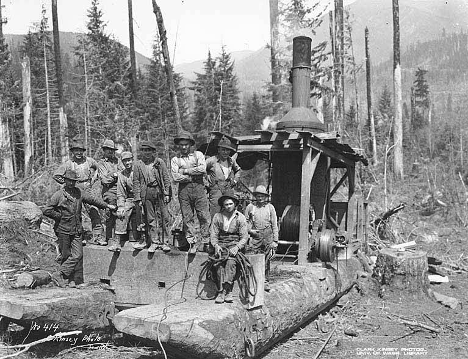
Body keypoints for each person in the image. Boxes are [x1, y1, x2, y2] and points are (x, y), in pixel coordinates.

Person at [43, 169, 116, 287]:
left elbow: (92, 200)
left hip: (76, 229)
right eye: (69, 181)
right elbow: (47, 210)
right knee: (65, 255)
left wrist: (107, 205)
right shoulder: (58, 195)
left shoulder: (79, 192)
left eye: (73, 181)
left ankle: (59, 274)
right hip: (63, 229)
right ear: (65, 181)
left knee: (77, 255)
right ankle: (68, 280)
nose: (71, 183)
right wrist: (59, 216)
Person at [53, 141, 103, 244]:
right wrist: (68, 183)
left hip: (88, 188)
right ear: (72, 152)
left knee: (94, 211)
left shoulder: (89, 161)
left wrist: (94, 178)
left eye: (81, 151)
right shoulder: (69, 163)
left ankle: (98, 237)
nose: (79, 153)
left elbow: (99, 167)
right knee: (76, 213)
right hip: (75, 190)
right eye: (76, 151)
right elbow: (56, 175)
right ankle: (80, 237)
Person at [171, 130, 211, 253]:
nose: (183, 147)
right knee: (187, 217)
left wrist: (186, 171)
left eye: (186, 144)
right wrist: (191, 175)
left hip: (199, 188)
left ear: (190, 144)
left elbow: (202, 169)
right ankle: (191, 243)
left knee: (203, 216)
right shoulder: (175, 159)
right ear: (178, 145)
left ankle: (206, 242)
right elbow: (175, 177)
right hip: (184, 191)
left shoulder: (198, 155)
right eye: (181, 144)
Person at [210, 190, 249, 304]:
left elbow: (244, 237)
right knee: (218, 264)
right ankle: (220, 291)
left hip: (234, 244)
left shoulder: (240, 217)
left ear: (235, 204)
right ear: (223, 205)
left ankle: (228, 290)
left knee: (231, 263)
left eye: (230, 204)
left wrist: (237, 247)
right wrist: (216, 245)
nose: (228, 206)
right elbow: (213, 234)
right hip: (221, 244)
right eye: (226, 204)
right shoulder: (217, 217)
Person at [133, 141, 172, 253]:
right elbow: (136, 182)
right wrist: (138, 198)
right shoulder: (138, 164)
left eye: (149, 150)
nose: (147, 153)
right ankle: (154, 242)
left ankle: (165, 242)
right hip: (147, 192)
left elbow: (166, 178)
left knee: (164, 217)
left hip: (159, 190)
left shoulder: (159, 162)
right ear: (142, 152)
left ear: (153, 151)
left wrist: (167, 194)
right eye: (145, 150)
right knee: (151, 218)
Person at [244, 185, 278, 292]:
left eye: (262, 196)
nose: (260, 198)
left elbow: (274, 224)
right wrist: (250, 231)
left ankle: (265, 281)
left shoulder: (270, 207)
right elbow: (245, 222)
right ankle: (252, 279)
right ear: (255, 196)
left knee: (267, 259)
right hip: (255, 234)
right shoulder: (250, 207)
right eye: (258, 196)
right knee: (253, 256)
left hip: (268, 234)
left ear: (266, 197)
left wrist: (275, 240)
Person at [205, 136, 241, 218]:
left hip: (228, 189)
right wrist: (207, 182)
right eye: (223, 150)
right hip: (216, 190)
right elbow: (201, 170)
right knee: (215, 212)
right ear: (219, 150)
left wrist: (235, 181)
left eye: (227, 150)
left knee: (229, 211)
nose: (225, 152)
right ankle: (213, 230)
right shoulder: (211, 161)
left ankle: (228, 230)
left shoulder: (231, 161)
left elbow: (238, 171)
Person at [108, 151, 137, 252]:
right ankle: (117, 242)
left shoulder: (139, 171)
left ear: (132, 160)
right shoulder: (122, 174)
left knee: (143, 212)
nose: (127, 163)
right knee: (121, 212)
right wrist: (121, 206)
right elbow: (121, 193)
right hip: (130, 198)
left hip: (142, 198)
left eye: (129, 160)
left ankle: (142, 239)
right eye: (125, 161)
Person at [97, 139, 124, 246]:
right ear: (104, 150)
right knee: (110, 214)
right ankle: (108, 238)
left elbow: (124, 173)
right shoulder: (101, 163)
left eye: (112, 150)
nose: (110, 152)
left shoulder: (118, 161)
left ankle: (120, 237)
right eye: (108, 150)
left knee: (123, 213)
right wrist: (115, 175)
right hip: (109, 191)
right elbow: (105, 180)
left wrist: (113, 175)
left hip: (121, 190)